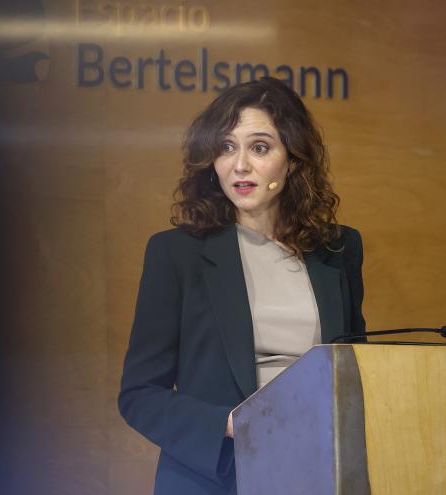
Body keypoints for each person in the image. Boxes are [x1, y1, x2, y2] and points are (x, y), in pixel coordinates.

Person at [117, 77, 366, 495]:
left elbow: (356, 370)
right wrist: (232, 424)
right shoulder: (176, 254)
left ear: (293, 160)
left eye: (260, 147)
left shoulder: (338, 250)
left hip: (320, 470)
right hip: (217, 476)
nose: (240, 165)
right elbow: (140, 395)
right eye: (227, 147)